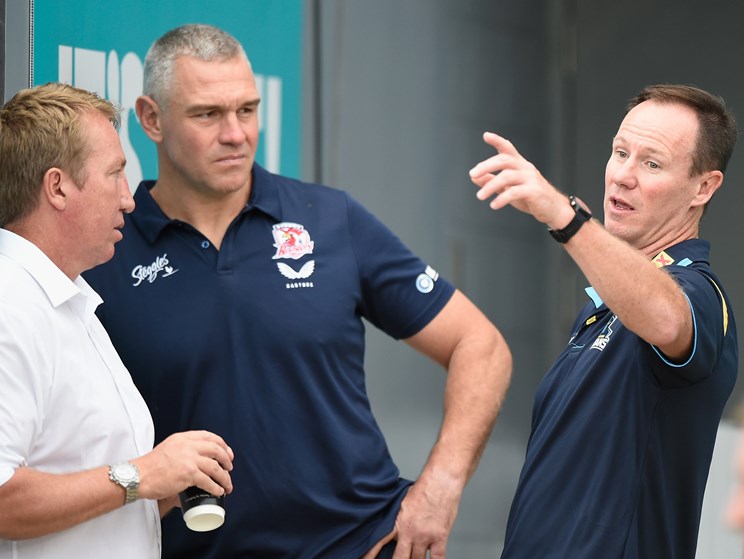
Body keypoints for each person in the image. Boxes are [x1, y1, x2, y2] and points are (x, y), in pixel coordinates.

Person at [82, 23, 512, 559]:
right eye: (207, 114)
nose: (236, 133)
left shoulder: (330, 220)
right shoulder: (105, 252)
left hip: (360, 543)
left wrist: (439, 492)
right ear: (151, 119)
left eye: (247, 109)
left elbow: (481, 345)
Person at [0, 82, 234, 559]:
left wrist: (167, 482)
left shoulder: (64, 301)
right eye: (115, 174)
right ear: (58, 187)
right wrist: (142, 474)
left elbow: (92, 490)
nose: (128, 199)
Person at [469, 83, 739, 557]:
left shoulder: (697, 291)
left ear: (704, 187)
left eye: (651, 163)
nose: (623, 176)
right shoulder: (606, 308)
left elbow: (670, 319)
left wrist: (566, 219)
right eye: (620, 153)